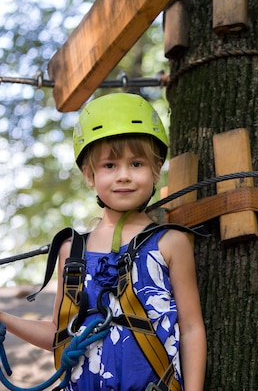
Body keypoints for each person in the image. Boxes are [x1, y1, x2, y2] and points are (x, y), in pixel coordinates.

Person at [0, 93, 206, 390]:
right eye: (110, 165)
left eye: (136, 164)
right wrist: (4, 317)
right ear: (89, 175)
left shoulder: (170, 243)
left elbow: (191, 328)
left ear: (156, 170)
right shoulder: (72, 254)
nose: (123, 176)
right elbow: (59, 336)